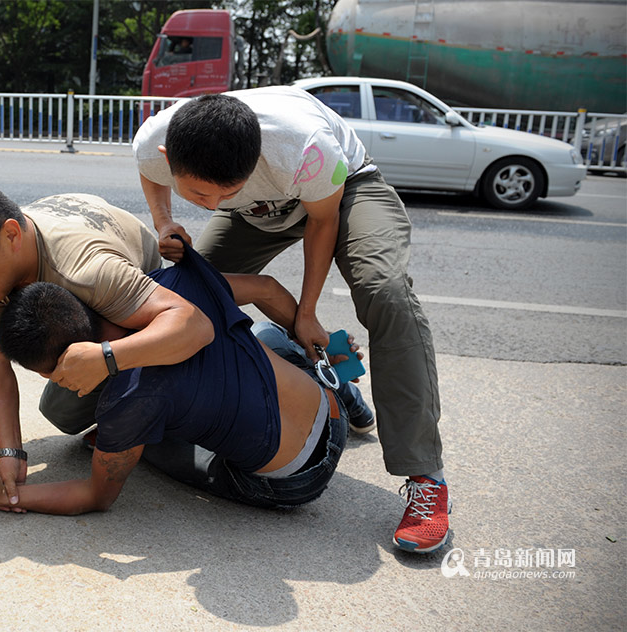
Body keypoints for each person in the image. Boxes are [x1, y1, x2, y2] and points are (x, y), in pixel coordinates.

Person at [132, 87, 449, 553]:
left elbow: (322, 224)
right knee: (192, 297)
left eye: (227, 190)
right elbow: (152, 175)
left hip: (341, 192)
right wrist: (165, 223)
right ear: (168, 155)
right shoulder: (155, 139)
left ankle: (426, 476)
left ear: (255, 158)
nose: (214, 204)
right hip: (257, 210)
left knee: (385, 292)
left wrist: (308, 312)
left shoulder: (304, 147)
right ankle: (338, 383)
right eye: (200, 193)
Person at [0, 240, 350, 513]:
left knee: (138, 446)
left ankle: (130, 443)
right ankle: (343, 376)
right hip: (329, 410)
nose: (56, 383)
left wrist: (5, 496)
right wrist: (320, 341)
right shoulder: (166, 288)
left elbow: (95, 496)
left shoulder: (127, 402)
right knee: (260, 336)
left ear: (67, 362)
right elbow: (266, 287)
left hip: (296, 480)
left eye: (49, 375)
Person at [0, 178, 216, 515]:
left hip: (111, 270)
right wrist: (10, 451)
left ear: (11, 235)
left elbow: (194, 325)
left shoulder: (90, 271)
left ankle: (157, 418)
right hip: (50, 241)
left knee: (65, 410)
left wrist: (106, 358)